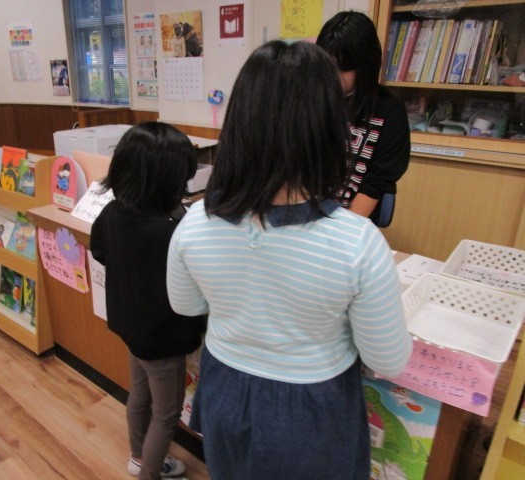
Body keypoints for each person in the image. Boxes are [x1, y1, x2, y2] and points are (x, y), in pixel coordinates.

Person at [166, 40, 412, 480]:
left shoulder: (195, 223)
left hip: (225, 389)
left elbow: (186, 306)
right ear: (330, 129)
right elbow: (388, 359)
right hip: (313, 407)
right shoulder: (358, 242)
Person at [90, 122, 205, 480]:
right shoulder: (170, 232)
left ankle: (138, 457)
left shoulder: (113, 212)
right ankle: (149, 472)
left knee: (139, 394)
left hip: (130, 327)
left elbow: (99, 251)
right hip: (162, 339)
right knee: (167, 414)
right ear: (166, 181)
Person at [316, 10, 411, 220]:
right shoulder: (312, 101)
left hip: (351, 223)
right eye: (326, 67)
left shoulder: (390, 111)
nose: (331, 77)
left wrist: (338, 233)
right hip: (305, 217)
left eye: (341, 68)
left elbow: (376, 184)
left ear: (364, 66)